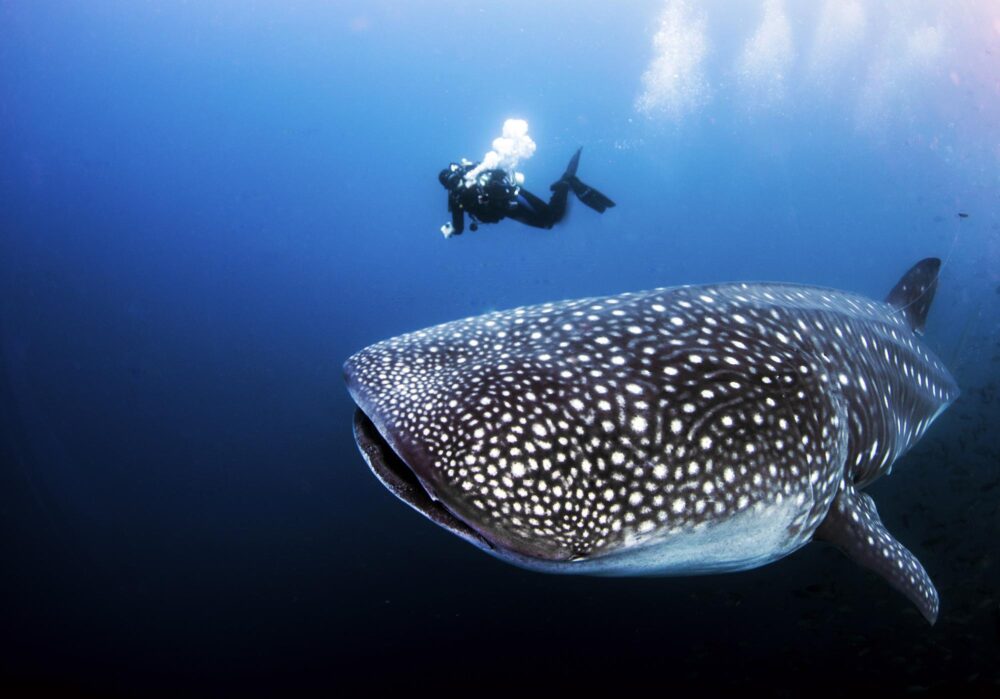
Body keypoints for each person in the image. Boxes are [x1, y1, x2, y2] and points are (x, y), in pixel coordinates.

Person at [438, 148, 615, 238]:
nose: (456, 183)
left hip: (514, 198)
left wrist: (450, 230)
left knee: (552, 220)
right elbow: (460, 227)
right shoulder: (457, 196)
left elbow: (459, 228)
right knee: (550, 222)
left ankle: (565, 182)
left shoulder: (462, 189)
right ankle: (565, 182)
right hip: (510, 207)